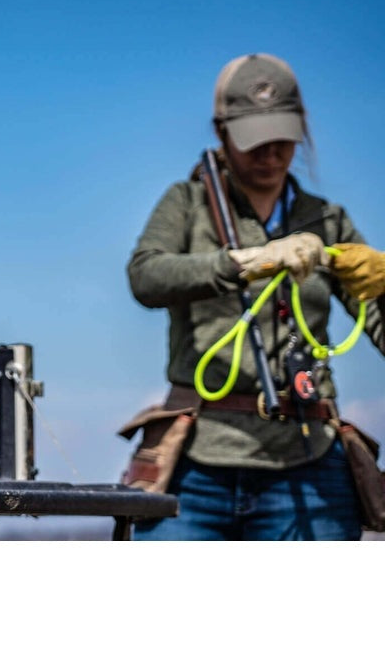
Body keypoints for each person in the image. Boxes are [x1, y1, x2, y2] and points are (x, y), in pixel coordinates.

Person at [120, 52, 385, 540]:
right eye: (255, 142)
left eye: (283, 139)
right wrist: (245, 263)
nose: (270, 155)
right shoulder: (188, 203)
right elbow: (146, 276)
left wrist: (384, 282)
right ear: (222, 133)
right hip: (200, 461)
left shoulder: (328, 219)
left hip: (310, 460)